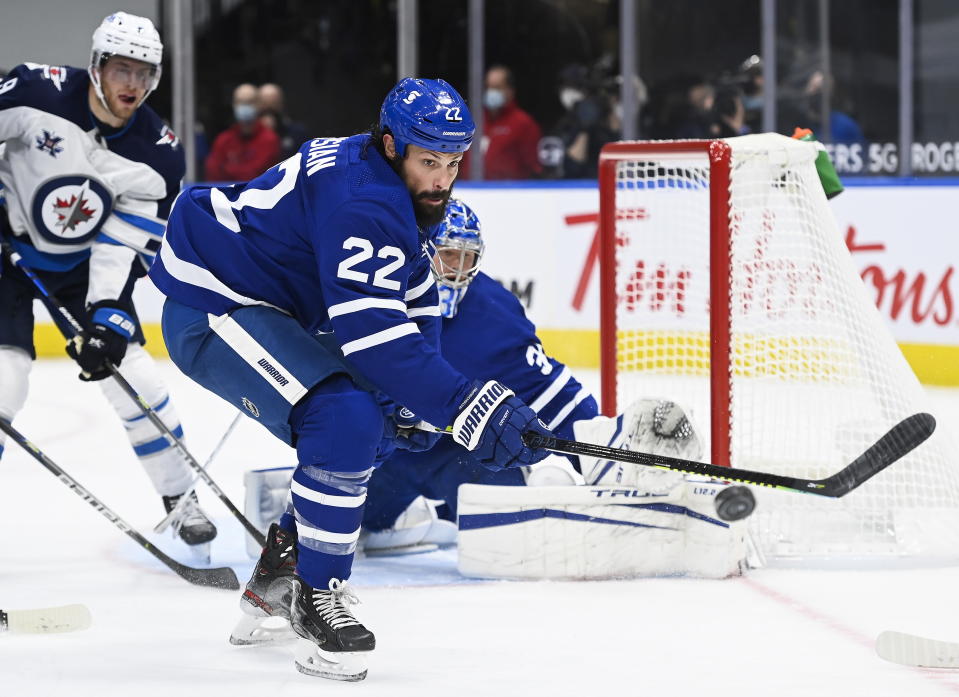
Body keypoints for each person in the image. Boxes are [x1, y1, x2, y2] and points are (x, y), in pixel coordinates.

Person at [148, 77, 552, 681]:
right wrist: (470, 404)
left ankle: (283, 572)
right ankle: (317, 595)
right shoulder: (366, 202)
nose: (442, 179)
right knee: (346, 417)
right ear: (391, 145)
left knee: (376, 420)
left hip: (264, 302)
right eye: (429, 162)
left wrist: (418, 406)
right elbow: (374, 337)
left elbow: (413, 308)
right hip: (213, 301)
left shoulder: (395, 189)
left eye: (452, 163)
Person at [359, 199, 703, 548]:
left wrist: (601, 453)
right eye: (447, 255)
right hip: (378, 456)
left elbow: (551, 394)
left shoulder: (492, 314)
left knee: (513, 529)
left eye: (467, 258)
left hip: (456, 455)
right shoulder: (371, 296)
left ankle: (452, 511)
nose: (457, 269)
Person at [0, 12, 217, 549]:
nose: (134, 85)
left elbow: (122, 242)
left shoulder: (158, 155)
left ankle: (180, 496)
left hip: (80, 267)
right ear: (96, 66)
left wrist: (105, 315)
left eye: (145, 73)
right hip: (5, 247)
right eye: (123, 69)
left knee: (138, 382)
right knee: (5, 379)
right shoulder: (33, 89)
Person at [468, 65, 542, 180]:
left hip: (508, 193)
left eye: (497, 88)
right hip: (470, 191)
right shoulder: (473, 121)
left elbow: (534, 168)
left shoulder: (523, 124)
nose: (490, 92)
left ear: (510, 90)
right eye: (488, 87)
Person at [203, 83, 280, 181]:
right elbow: (212, 173)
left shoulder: (269, 139)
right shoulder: (223, 139)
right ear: (234, 105)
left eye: (250, 102)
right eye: (240, 102)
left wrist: (226, 169)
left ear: (259, 105)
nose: (244, 106)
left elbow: (255, 174)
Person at [257, 83, 310, 161]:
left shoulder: (297, 132)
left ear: (281, 103)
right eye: (265, 103)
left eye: (273, 102)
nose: (269, 108)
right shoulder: (248, 134)